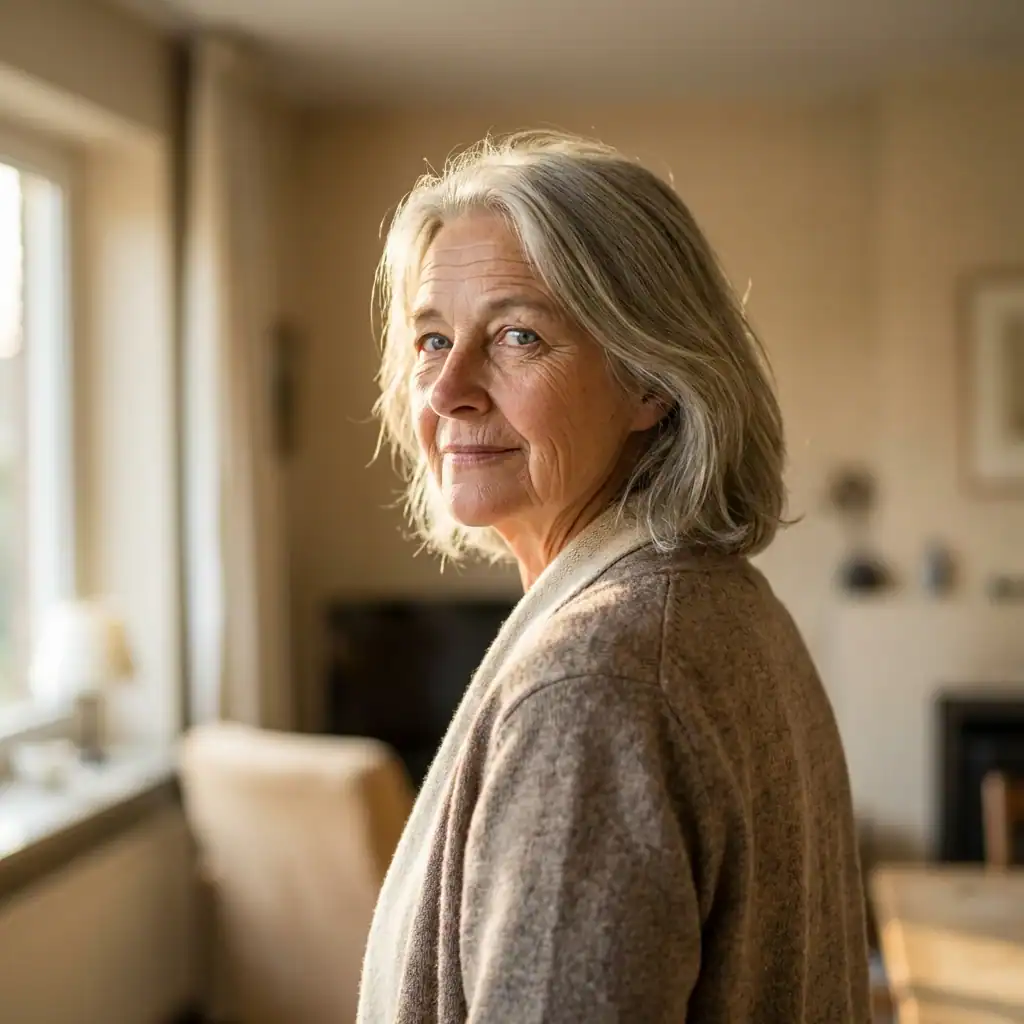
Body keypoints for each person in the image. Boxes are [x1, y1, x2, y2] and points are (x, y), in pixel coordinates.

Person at [358, 132, 870, 1023]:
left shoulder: (593, 684)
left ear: (650, 379)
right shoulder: (722, 602)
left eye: (517, 336)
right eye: (433, 339)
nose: (446, 391)